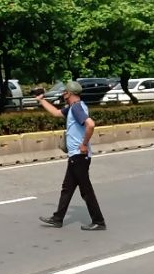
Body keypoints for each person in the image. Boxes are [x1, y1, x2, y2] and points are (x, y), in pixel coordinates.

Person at [36, 80, 107, 231]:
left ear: (69, 93)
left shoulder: (76, 109)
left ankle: (99, 221)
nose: (63, 94)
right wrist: (42, 100)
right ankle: (57, 219)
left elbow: (91, 124)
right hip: (76, 156)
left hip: (79, 156)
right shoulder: (74, 107)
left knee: (86, 190)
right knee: (67, 188)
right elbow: (56, 113)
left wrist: (83, 144)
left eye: (64, 92)